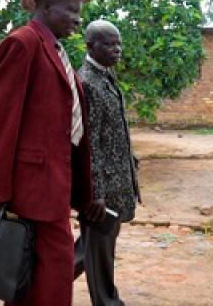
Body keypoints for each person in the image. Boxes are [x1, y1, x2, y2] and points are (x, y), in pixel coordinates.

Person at [0, 0, 94, 306]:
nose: (78, 20)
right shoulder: (22, 44)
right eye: (71, 11)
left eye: (79, 13)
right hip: (29, 187)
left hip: (54, 185)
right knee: (49, 272)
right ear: (46, 7)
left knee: (30, 276)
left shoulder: (56, 51)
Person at [74, 20, 141, 306]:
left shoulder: (106, 76)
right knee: (100, 253)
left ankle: (34, 285)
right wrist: (95, 193)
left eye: (119, 43)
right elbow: (89, 146)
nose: (117, 49)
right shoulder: (87, 82)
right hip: (102, 191)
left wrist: (130, 159)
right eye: (109, 44)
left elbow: (113, 131)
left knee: (88, 250)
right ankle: (108, 303)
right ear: (91, 46)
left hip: (117, 182)